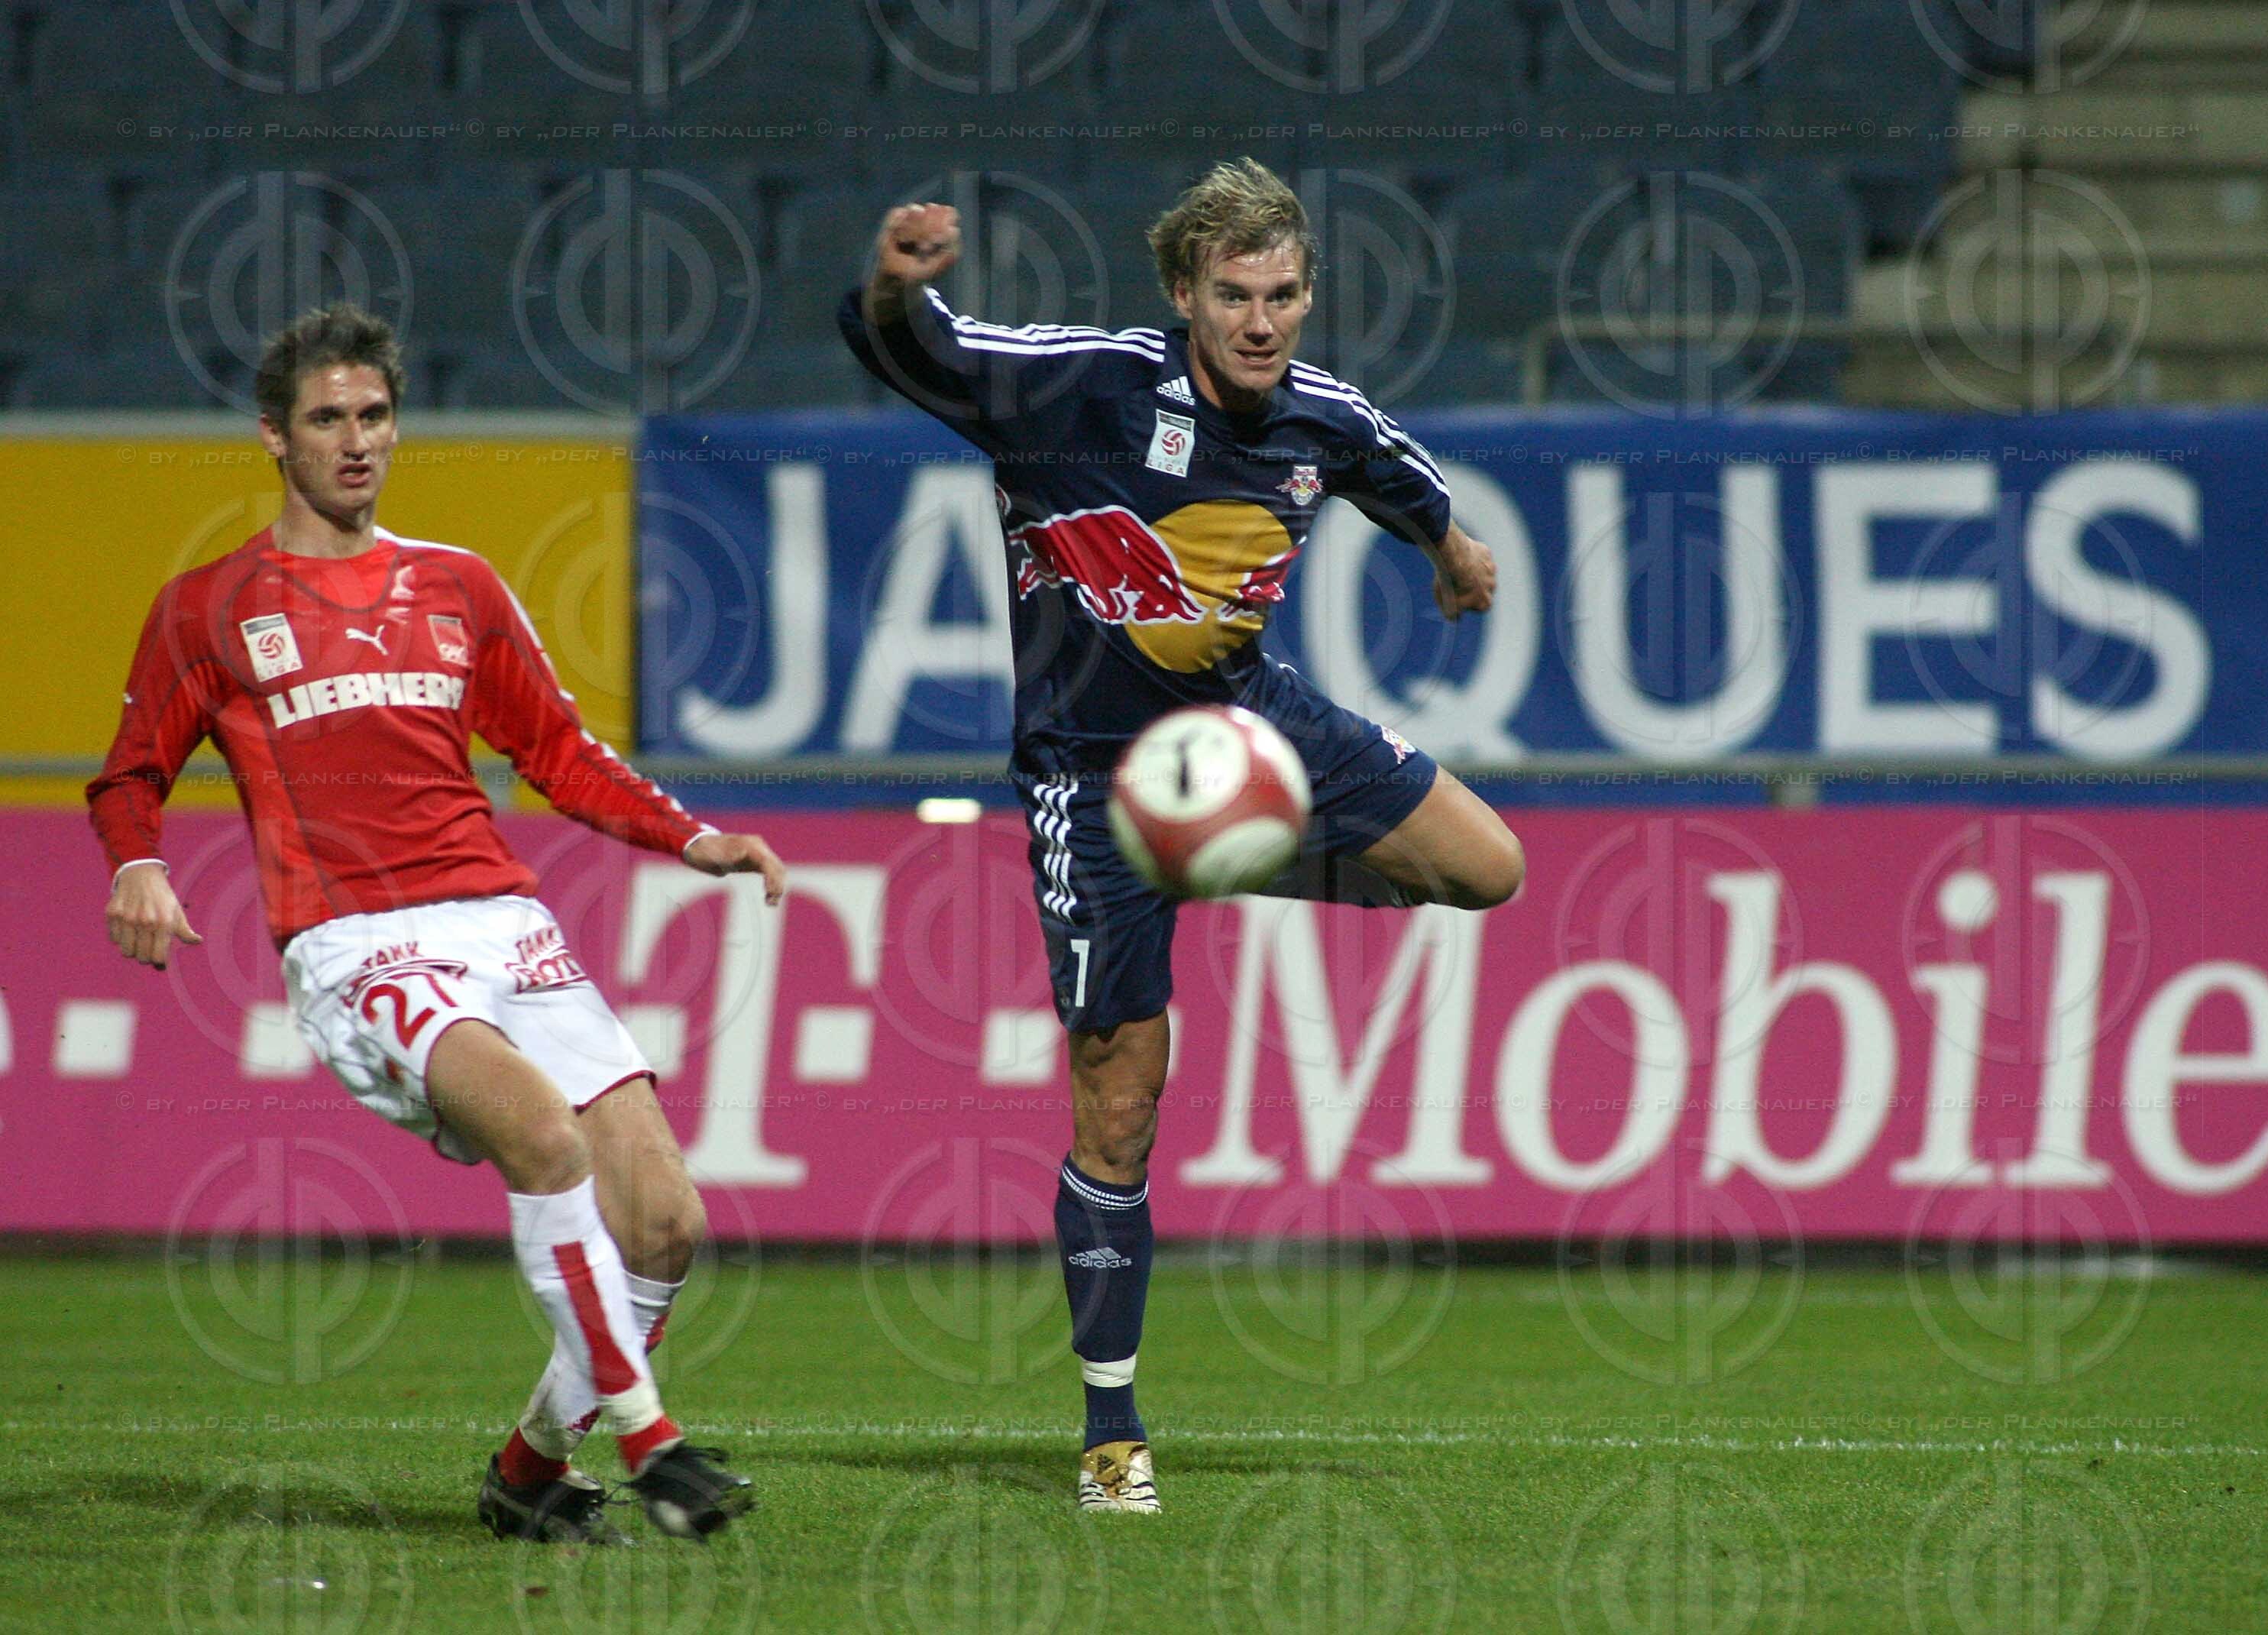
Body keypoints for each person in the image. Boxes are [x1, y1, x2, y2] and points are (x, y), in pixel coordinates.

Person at [838, 157, 1524, 1513]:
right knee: (1120, 1105)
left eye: (1282, 296)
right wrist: (896, 281)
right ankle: (1111, 1432)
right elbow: (906, 338)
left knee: (1485, 867)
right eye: (1233, 296)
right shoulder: (1077, 383)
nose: (1262, 322)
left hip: (1247, 728)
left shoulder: (1314, 417)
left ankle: (1224, 849)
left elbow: (1394, 469)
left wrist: (1453, 552)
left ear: (1306, 294)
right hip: (1090, 782)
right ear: (1182, 296)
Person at [87, 303, 772, 1545]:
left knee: (668, 1222)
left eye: (375, 416)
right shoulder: (211, 605)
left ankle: (526, 1475)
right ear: (274, 439)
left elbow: (558, 750)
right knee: (541, 1140)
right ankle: (653, 1440)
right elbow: (130, 772)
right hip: (358, 940)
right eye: (327, 420)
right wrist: (138, 864)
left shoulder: (456, 584)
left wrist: (694, 837)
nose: (356, 443)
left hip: (505, 922)